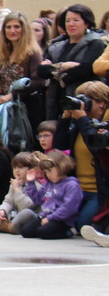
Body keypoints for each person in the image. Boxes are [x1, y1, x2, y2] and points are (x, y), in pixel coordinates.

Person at [51, 80, 109, 230]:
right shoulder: (81, 121)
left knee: (82, 225)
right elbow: (59, 147)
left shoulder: (104, 122)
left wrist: (83, 119)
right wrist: (65, 118)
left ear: (102, 102)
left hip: (99, 190)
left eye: (87, 101)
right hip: (78, 188)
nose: (84, 105)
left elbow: (97, 147)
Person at [41, 4, 105, 120]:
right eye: (68, 21)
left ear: (86, 23)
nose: (71, 24)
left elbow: (85, 69)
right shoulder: (57, 45)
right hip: (56, 101)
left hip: (83, 102)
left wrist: (52, 69)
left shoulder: (96, 43)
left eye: (76, 20)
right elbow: (41, 71)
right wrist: (63, 66)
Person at [0, 12, 46, 128]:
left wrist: (12, 95)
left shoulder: (32, 52)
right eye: (8, 27)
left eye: (16, 27)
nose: (12, 31)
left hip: (27, 108)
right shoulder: (4, 52)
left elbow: (39, 81)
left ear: (24, 29)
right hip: (7, 108)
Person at [18, 151, 81, 239]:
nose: (48, 175)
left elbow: (68, 208)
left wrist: (50, 218)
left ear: (60, 167)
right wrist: (31, 182)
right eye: (46, 172)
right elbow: (37, 199)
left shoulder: (71, 185)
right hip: (46, 216)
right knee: (25, 231)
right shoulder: (48, 183)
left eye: (50, 171)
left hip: (63, 220)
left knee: (42, 232)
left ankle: (69, 232)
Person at [0, 152, 40, 234]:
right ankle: (8, 226)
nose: (17, 170)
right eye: (14, 167)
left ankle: (0, 225)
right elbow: (8, 201)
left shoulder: (36, 185)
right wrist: (3, 210)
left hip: (29, 217)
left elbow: (26, 206)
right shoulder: (14, 183)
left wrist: (17, 190)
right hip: (14, 216)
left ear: (30, 170)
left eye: (20, 167)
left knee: (26, 213)